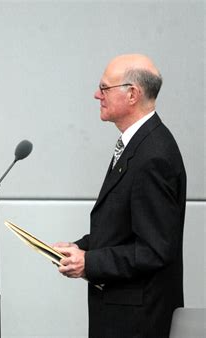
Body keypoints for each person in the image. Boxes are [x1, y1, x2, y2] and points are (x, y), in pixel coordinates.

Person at [54, 54, 186, 338]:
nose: (96, 95)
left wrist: (90, 263)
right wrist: (78, 248)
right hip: (124, 315)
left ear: (132, 95)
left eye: (104, 88)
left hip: (139, 322)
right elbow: (125, 227)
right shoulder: (139, 144)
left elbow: (154, 249)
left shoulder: (153, 156)